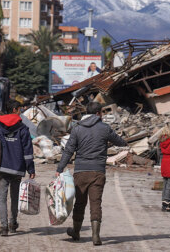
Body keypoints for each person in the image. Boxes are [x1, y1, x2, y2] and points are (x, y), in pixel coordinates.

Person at [56, 102, 126, 246]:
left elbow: (69, 150)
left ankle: (76, 231)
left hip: (80, 171)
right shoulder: (105, 128)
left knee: (80, 203)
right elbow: (120, 142)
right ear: (98, 113)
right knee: (96, 203)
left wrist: (60, 168)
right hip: (98, 171)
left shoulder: (77, 128)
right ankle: (96, 236)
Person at [0, 100, 35, 237]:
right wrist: (31, 170)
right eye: (19, 110)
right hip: (17, 168)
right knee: (15, 196)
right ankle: (13, 223)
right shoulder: (23, 128)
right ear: (14, 110)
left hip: (0, 168)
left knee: (2, 197)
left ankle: (4, 227)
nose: (21, 112)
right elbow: (28, 152)